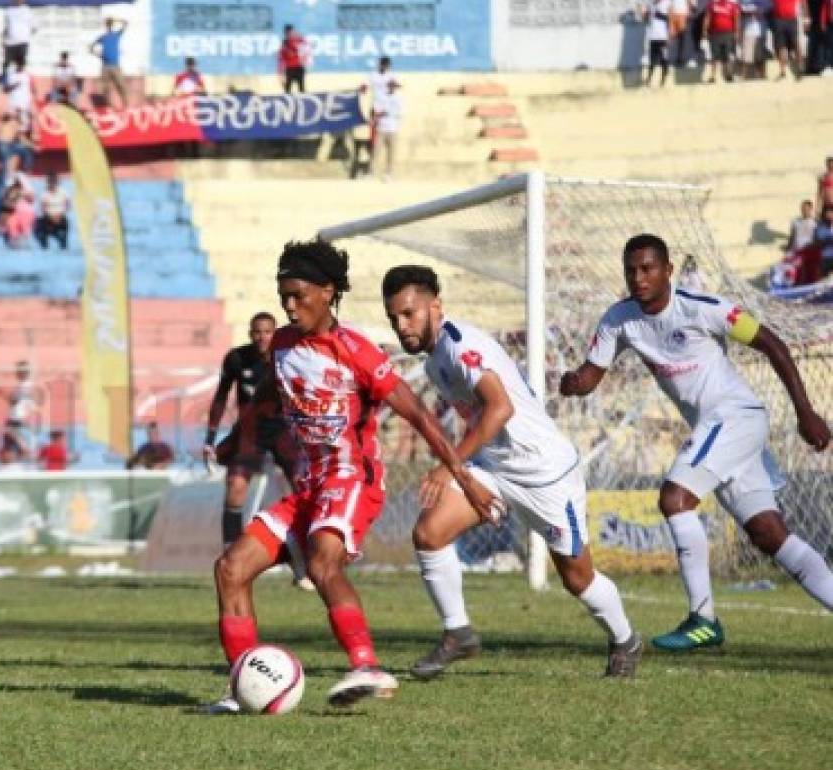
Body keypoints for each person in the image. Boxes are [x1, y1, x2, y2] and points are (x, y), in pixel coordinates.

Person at [203, 239, 502, 714]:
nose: (289, 306)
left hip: (352, 480)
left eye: (299, 295)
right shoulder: (281, 345)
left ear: (327, 292)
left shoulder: (356, 353)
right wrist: (236, 439)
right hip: (307, 486)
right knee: (230, 568)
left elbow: (420, 416)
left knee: (324, 563)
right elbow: (269, 402)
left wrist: (461, 477)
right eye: (283, 297)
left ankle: (366, 665)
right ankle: (243, 689)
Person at [560, 233, 833, 651]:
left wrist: (805, 411)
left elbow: (772, 344)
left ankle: (702, 618)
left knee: (674, 498)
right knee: (769, 534)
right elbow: (591, 374)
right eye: (631, 270)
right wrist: (574, 383)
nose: (639, 277)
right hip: (717, 431)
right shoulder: (619, 319)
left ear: (668, 270)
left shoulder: (703, 308)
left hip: (736, 417)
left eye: (648, 268)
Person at [381, 265, 641, 679]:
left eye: (409, 313)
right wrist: (464, 475)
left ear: (436, 306)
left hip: (544, 473)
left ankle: (625, 640)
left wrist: (451, 468)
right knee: (429, 534)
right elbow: (482, 421)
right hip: (495, 466)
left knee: (578, 579)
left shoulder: (461, 345)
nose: (402, 326)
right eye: (393, 317)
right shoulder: (434, 364)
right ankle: (457, 633)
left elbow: (501, 409)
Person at [203, 312, 308, 588]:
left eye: (267, 332)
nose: (262, 337)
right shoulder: (237, 359)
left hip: (285, 429)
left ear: (275, 334)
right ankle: (232, 559)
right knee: (235, 488)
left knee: (302, 489)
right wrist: (210, 438)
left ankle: (303, 560)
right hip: (250, 431)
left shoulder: (288, 357)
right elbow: (221, 396)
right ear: (250, 334)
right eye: (257, 332)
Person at [766, 0, 807, 80]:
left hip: (792, 20)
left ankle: (800, 69)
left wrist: (806, 18)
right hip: (778, 20)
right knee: (781, 46)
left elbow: (803, 2)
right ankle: (783, 72)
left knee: (796, 44)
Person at [0, 361, 36, 463]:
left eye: (19, 371)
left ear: (25, 373)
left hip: (16, 416)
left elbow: (13, 400)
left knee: (10, 433)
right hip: (16, 415)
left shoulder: (24, 386)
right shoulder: (24, 385)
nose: (16, 373)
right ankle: (20, 453)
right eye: (17, 371)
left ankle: (25, 449)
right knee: (8, 443)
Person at [703, 0, 741, 83]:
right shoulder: (713, 4)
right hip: (715, 33)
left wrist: (736, 32)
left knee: (727, 55)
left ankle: (728, 74)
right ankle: (713, 76)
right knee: (714, 55)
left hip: (728, 33)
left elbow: (736, 19)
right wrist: (704, 30)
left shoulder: (732, 5)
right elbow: (707, 17)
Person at [91, 17, 129, 109]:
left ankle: (126, 105)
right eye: (108, 24)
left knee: (121, 85)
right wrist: (99, 55)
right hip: (105, 66)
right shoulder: (103, 37)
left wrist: (115, 20)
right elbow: (91, 47)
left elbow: (126, 23)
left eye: (110, 24)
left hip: (115, 65)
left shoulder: (116, 35)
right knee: (106, 88)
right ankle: (109, 106)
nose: (109, 26)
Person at [739, 0, 770, 80]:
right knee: (746, 54)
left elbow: (767, 9)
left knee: (760, 54)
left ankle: (762, 75)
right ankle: (744, 75)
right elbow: (743, 9)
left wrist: (757, 10)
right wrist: (753, 10)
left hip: (761, 31)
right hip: (748, 30)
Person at [373, 78, 402, 182]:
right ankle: (372, 172)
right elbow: (377, 110)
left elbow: (400, 113)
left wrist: (387, 112)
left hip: (392, 128)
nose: (392, 88)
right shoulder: (381, 97)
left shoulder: (399, 99)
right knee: (376, 151)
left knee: (391, 153)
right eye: (391, 86)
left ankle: (388, 173)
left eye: (394, 86)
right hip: (381, 128)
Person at [643, 0, 673, 86]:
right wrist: (644, 14)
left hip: (663, 36)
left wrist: (669, 35)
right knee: (652, 59)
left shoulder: (667, 4)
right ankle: (649, 78)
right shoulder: (651, 4)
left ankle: (663, 78)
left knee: (663, 58)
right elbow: (646, 19)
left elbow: (670, 19)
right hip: (653, 36)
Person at [666, 0, 695, 66]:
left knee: (683, 36)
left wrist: (690, 11)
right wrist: (669, 11)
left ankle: (681, 58)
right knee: (672, 37)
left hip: (683, 12)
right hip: (672, 12)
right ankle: (671, 58)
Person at [35, 173, 69, 250]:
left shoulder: (63, 192)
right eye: (51, 182)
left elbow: (67, 206)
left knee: (63, 238)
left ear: (57, 183)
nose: (52, 184)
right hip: (46, 220)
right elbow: (43, 209)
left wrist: (59, 215)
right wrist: (52, 217)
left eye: (54, 182)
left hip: (60, 218)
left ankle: (63, 244)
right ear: (48, 183)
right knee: (42, 239)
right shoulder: (43, 193)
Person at [2, 0, 35, 72]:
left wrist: (25, 35)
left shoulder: (27, 11)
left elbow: (34, 27)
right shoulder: (8, 10)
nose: (18, 0)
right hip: (10, 43)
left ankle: (20, 82)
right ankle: (5, 82)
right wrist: (3, 40)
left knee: (21, 65)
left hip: (22, 42)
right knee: (6, 64)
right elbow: (6, 27)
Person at [277, 25, 310, 93]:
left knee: (302, 89)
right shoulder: (285, 43)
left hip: (299, 67)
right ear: (286, 33)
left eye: (292, 32)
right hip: (290, 69)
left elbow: (307, 51)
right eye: (288, 32)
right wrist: (280, 73)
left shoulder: (300, 40)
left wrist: (305, 62)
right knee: (287, 89)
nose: (291, 34)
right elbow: (281, 58)